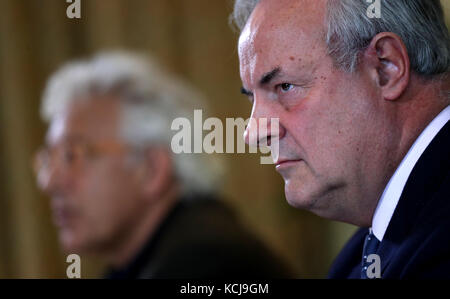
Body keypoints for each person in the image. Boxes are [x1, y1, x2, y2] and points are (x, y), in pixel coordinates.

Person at [232, 0, 450, 279]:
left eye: (284, 86)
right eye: (252, 97)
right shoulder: (370, 244)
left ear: (386, 68)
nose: (253, 134)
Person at [34, 51, 292, 279]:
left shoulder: (204, 262)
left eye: (72, 155)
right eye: (49, 159)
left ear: (152, 169)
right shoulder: (137, 263)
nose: (50, 182)